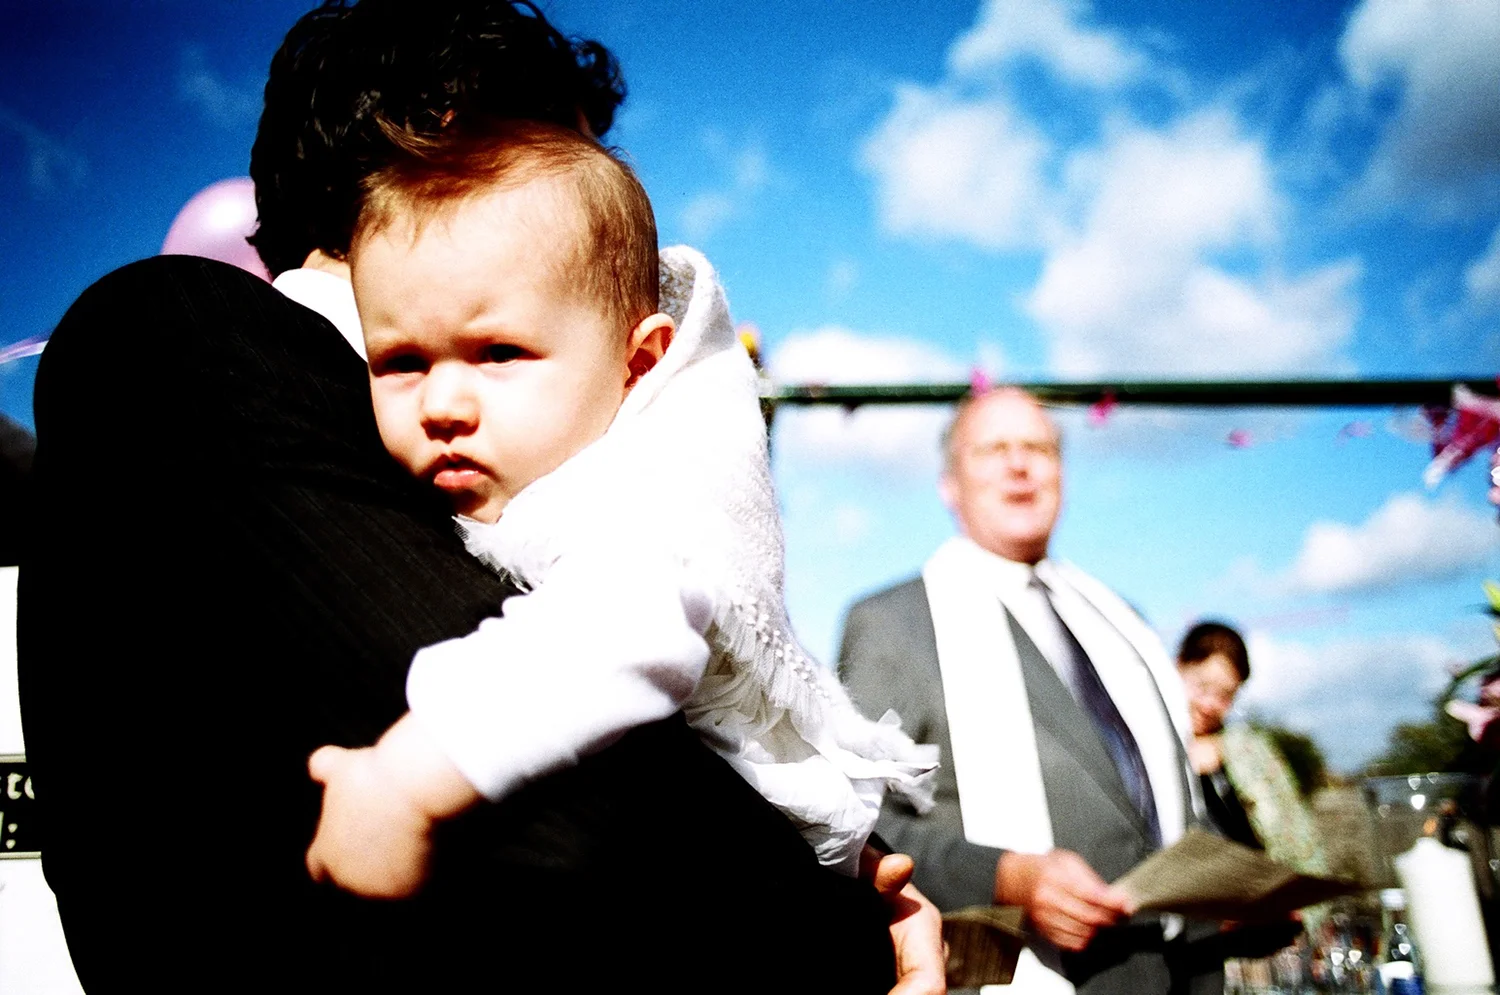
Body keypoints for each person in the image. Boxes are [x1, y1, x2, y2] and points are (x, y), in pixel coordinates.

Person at [18, 2, 941, 990]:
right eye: (555, 181)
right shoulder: (179, 340)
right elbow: (588, 822)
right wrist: (855, 934)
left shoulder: (489, 452)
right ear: (446, 155)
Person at [304, 121, 934, 893]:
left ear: (637, 364)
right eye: (401, 361)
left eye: (498, 353)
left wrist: (406, 779)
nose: (441, 404)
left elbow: (623, 625)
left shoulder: (639, 493)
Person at [840, 387, 1221, 994]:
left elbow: (1169, 798)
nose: (1019, 464)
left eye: (1038, 449)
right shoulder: (894, 624)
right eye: (994, 449)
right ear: (949, 485)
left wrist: (1230, 902)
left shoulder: (1122, 622)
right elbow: (855, 820)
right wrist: (1004, 876)